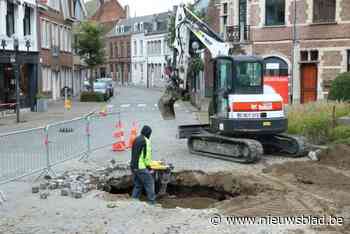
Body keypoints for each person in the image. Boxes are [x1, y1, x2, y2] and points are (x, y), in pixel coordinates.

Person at [130, 125, 156, 204]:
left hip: (133, 166)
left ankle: (133, 201)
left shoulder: (136, 139)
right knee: (150, 182)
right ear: (148, 133)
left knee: (138, 184)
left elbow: (135, 153)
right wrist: (149, 168)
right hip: (141, 167)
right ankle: (151, 202)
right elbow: (146, 157)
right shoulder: (146, 141)